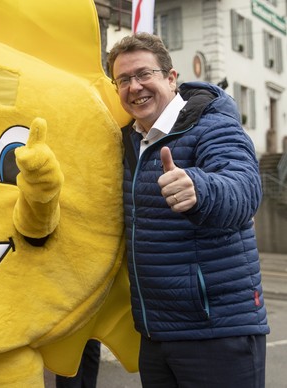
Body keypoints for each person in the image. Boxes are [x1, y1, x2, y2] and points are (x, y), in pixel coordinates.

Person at [107, 32, 269, 388]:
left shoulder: (213, 124)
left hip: (216, 330)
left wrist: (200, 189)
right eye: (124, 79)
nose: (135, 87)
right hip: (155, 332)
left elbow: (243, 189)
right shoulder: (128, 141)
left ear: (171, 77)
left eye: (144, 74)